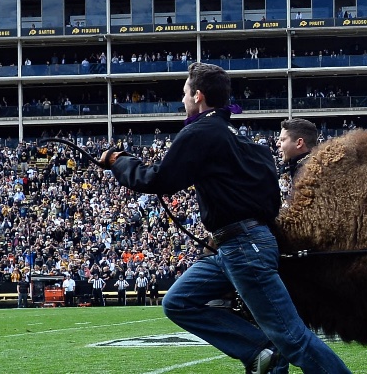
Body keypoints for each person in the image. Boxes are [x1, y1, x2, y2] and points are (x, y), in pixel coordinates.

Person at [100, 62, 349, 374]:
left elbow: (156, 180)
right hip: (238, 246)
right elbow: (271, 199)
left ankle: (268, 350)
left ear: (198, 96)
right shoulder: (247, 142)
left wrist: (119, 161)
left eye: (185, 94)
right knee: (178, 302)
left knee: (292, 338)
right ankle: (261, 350)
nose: (183, 101)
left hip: (242, 248)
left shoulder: (200, 132)